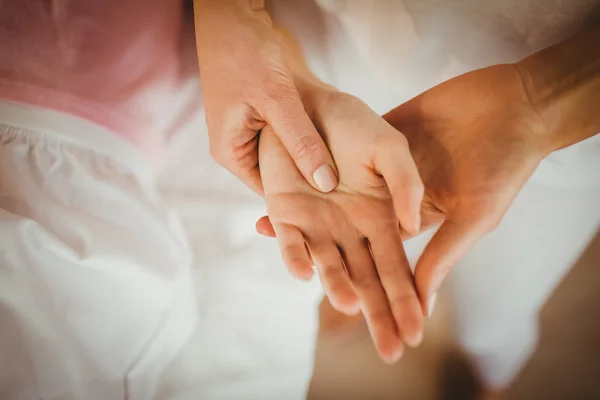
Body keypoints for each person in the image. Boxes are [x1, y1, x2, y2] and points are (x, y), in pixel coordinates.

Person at [254, 0, 600, 398]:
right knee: (367, 248)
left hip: (562, 136)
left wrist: (540, 104)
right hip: (336, 64)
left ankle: (490, 373)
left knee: (493, 312)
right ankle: (359, 300)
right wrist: (291, 85)